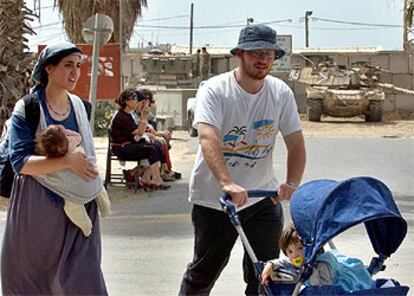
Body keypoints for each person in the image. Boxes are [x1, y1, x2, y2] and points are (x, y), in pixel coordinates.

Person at [179, 24, 306, 295]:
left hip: (262, 198)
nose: (262, 59)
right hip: (216, 200)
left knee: (266, 274)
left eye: (268, 54)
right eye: (255, 53)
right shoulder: (215, 90)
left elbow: (296, 143)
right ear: (240, 54)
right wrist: (227, 183)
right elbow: (208, 137)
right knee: (204, 271)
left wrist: (292, 182)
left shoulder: (280, 93)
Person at [1, 42, 108, 295]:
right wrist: (67, 162)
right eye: (68, 65)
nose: (75, 73)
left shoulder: (83, 108)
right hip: (36, 207)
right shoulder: (27, 108)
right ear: (49, 68)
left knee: (84, 279)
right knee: (32, 280)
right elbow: (20, 162)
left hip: (80, 204)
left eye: (79, 66)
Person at [35, 125, 111, 237]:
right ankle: (105, 209)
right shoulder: (72, 144)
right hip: (92, 182)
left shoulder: (52, 158)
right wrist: (66, 130)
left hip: (74, 192)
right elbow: (79, 137)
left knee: (72, 208)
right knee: (100, 190)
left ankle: (86, 226)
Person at [261, 224, 374, 292]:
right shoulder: (297, 260)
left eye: (300, 248)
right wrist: (270, 265)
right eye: (289, 251)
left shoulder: (323, 264)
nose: (294, 255)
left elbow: (324, 289)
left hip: (338, 281)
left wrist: (307, 278)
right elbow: (283, 262)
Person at [110, 88, 170, 191]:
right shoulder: (122, 116)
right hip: (122, 148)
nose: (135, 101)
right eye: (133, 99)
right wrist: (143, 118)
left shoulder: (128, 115)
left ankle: (149, 178)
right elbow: (138, 133)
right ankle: (156, 179)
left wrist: (143, 119)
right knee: (151, 148)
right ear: (126, 102)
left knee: (154, 145)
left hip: (128, 144)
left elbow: (138, 134)